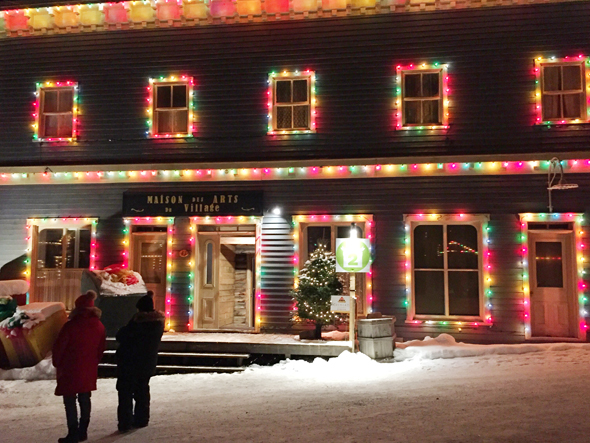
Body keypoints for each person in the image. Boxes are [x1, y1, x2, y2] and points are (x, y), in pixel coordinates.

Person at [52, 290, 106, 443]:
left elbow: (59, 347)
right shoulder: (99, 326)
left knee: (70, 400)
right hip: (88, 368)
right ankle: (83, 430)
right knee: (85, 398)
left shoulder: (70, 326)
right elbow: (101, 348)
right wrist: (94, 361)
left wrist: (57, 362)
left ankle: (73, 431)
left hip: (70, 368)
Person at [116, 291, 165, 432]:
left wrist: (132, 321)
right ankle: (142, 419)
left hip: (130, 363)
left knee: (125, 393)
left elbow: (122, 335)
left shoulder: (138, 323)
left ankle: (125, 422)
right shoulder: (157, 323)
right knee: (142, 391)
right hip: (147, 363)